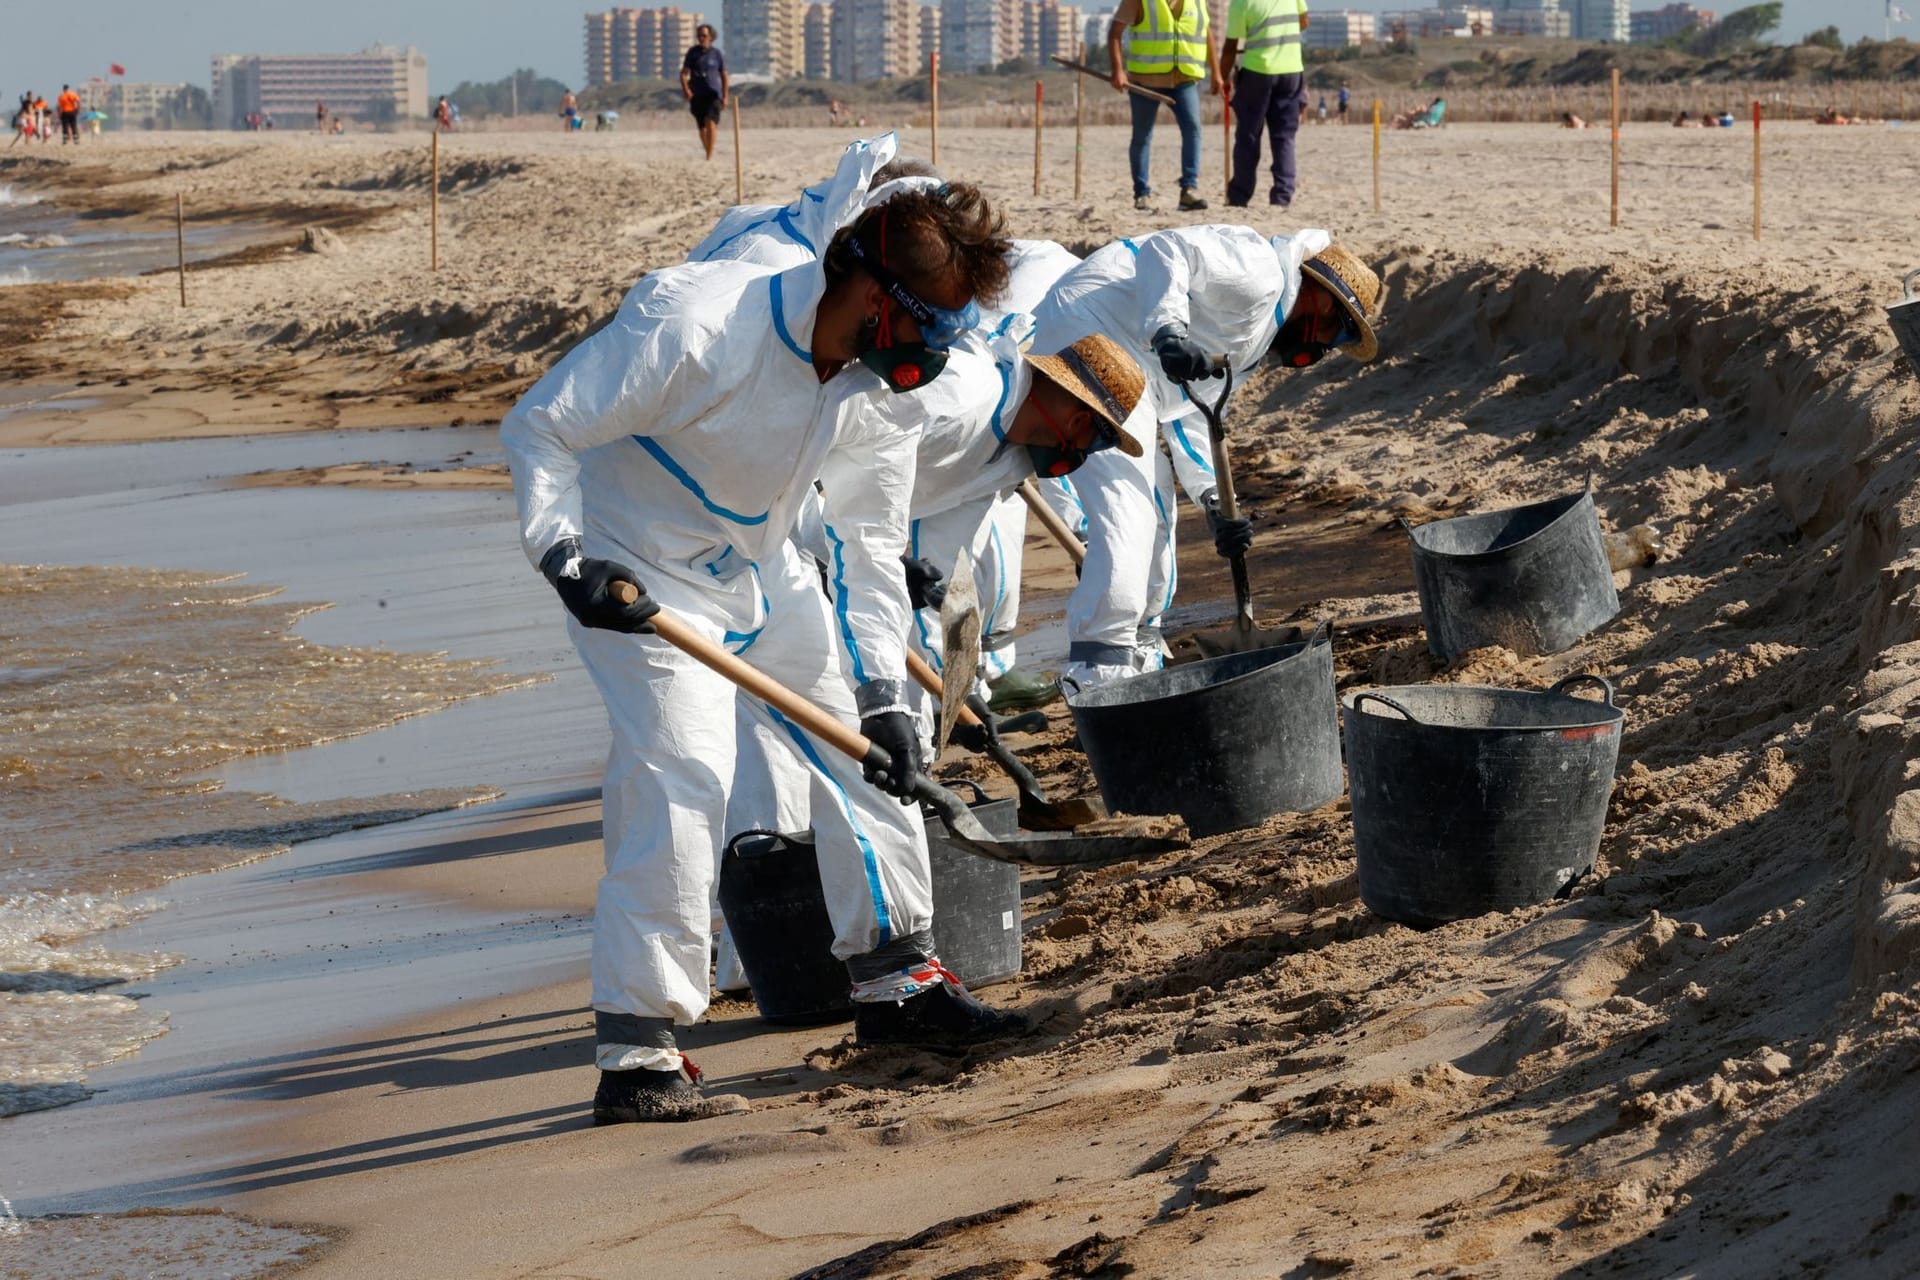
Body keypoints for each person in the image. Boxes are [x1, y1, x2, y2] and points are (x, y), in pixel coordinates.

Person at [502, 182, 1024, 1126]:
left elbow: (866, 548)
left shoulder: (881, 389)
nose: (933, 364)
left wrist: (883, 696)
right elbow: (542, 424)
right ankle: (637, 1054)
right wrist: (563, 556)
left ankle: (900, 987)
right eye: (927, 338)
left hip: (762, 567)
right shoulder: (697, 323)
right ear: (871, 296)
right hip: (641, 572)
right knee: (683, 780)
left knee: (873, 764)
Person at [1029, 227, 1383, 692]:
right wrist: (1167, 329)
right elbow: (1168, 250)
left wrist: (1216, 500)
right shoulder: (1259, 275)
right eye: (1338, 331)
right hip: (1089, 335)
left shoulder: (1257, 333)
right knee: (1129, 511)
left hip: (1135, 369)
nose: (1324, 349)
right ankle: (1097, 671)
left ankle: (1138, 649)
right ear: (1319, 298)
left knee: (1156, 512)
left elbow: (1192, 412)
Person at [1108, 0, 1226, 212]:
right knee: (1142, 136)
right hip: (1145, 80)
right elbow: (1115, 32)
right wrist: (1118, 70)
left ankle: (1189, 190)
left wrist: (1216, 73)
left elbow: (1206, 32)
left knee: (1193, 130)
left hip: (1184, 79)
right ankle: (1142, 193)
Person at [1223, 0, 1307, 207]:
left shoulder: (1242, 3)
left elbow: (1231, 46)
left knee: (1248, 135)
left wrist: (1222, 77)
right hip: (1292, 70)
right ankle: (1282, 195)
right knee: (1284, 137)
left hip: (1258, 71)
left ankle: (1240, 195)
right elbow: (1304, 21)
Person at [682, 23, 729, 160]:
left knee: (711, 122)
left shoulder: (716, 54)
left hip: (713, 94)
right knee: (702, 128)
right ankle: (708, 151)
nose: (701, 38)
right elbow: (684, 73)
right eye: (699, 36)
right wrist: (686, 89)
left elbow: (724, 75)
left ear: (711, 37)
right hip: (697, 94)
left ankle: (710, 155)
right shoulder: (692, 53)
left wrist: (725, 95)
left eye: (704, 35)